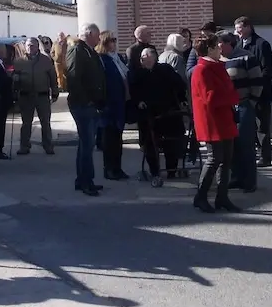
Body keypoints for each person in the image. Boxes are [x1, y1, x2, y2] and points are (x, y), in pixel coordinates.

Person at [191, 32, 241, 213]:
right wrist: (232, 97)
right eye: (216, 45)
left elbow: (227, 91)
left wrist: (231, 95)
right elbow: (210, 98)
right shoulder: (202, 70)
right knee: (214, 159)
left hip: (224, 118)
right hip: (212, 120)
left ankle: (222, 197)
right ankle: (201, 196)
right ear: (209, 49)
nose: (220, 47)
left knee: (226, 159)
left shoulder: (217, 66)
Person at [131, 47, 189, 187]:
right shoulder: (138, 73)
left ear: (153, 57)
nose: (142, 58)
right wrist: (139, 102)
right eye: (141, 56)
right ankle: (155, 171)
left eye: (145, 55)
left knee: (172, 140)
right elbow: (134, 91)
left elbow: (179, 85)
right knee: (150, 142)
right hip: (149, 113)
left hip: (168, 111)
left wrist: (182, 99)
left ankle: (171, 169)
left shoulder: (165, 69)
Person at [217, 31, 262, 192]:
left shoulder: (246, 57)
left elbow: (257, 81)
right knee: (232, 144)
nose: (218, 47)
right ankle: (236, 177)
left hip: (243, 105)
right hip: (227, 107)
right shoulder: (219, 61)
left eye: (220, 44)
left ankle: (249, 181)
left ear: (229, 43)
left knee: (246, 143)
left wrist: (251, 102)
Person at [66, 22, 107, 196]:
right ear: (89, 33)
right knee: (86, 144)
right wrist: (87, 101)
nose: (99, 39)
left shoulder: (90, 52)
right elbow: (74, 79)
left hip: (91, 104)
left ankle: (84, 179)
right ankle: (84, 182)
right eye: (97, 35)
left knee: (87, 144)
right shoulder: (77, 51)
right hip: (83, 105)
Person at [234, 17, 272, 167]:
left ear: (248, 27)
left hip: (261, 93)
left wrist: (257, 84)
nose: (237, 32)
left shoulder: (261, 44)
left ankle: (265, 157)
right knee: (247, 126)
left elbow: (268, 68)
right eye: (236, 29)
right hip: (243, 94)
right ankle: (249, 155)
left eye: (239, 28)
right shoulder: (237, 45)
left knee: (263, 127)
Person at [13, 36, 59, 155]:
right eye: (27, 45)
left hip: (42, 95)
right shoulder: (19, 61)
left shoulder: (45, 60)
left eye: (32, 45)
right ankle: (24, 146)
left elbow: (52, 77)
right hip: (26, 95)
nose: (29, 48)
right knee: (26, 123)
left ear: (37, 47)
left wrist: (54, 92)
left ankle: (48, 146)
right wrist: (14, 87)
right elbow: (14, 78)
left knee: (45, 122)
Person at [96, 31, 130, 180]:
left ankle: (118, 168)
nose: (114, 43)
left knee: (118, 138)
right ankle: (109, 169)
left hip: (120, 103)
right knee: (109, 139)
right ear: (105, 43)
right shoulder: (102, 60)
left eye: (115, 40)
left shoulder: (118, 58)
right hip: (109, 104)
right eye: (112, 41)